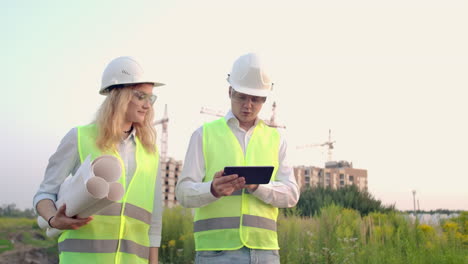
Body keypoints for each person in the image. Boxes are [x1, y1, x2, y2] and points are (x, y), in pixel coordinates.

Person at [33, 56, 164, 264]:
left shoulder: (150, 152)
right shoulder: (79, 138)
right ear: (118, 95)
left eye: (151, 98)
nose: (147, 105)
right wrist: (52, 219)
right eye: (141, 96)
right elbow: (44, 193)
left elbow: (154, 219)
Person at [175, 53, 300, 264]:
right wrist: (212, 189)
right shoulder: (203, 135)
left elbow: (291, 195)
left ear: (264, 99)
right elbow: (183, 192)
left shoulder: (276, 139)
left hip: (265, 252)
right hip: (215, 252)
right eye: (242, 96)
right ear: (230, 91)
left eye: (255, 99)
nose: (248, 105)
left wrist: (257, 186)